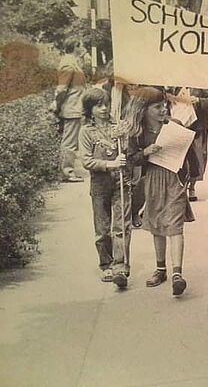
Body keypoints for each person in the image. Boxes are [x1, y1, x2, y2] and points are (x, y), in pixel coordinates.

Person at [124, 87, 199, 296]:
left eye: (164, 105)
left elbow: (189, 151)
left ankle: (177, 274)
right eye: (157, 107)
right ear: (144, 109)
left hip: (175, 179)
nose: (163, 109)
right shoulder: (138, 133)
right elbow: (131, 160)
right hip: (152, 181)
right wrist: (145, 153)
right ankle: (161, 269)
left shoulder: (174, 125)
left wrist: (192, 175)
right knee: (157, 224)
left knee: (174, 225)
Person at [78, 87, 131, 288]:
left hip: (120, 181)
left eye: (106, 104)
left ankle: (121, 266)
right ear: (89, 109)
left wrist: (125, 139)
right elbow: (86, 161)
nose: (104, 108)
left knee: (121, 225)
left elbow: (128, 151)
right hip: (100, 183)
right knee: (102, 228)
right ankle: (106, 264)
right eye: (98, 105)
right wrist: (110, 164)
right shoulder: (86, 132)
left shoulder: (117, 126)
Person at [53, 37, 87, 182]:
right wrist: (57, 104)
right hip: (72, 107)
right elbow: (62, 89)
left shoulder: (73, 62)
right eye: (81, 45)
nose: (83, 47)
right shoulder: (67, 64)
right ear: (75, 47)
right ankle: (67, 173)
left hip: (75, 107)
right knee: (70, 142)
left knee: (72, 141)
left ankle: (68, 170)